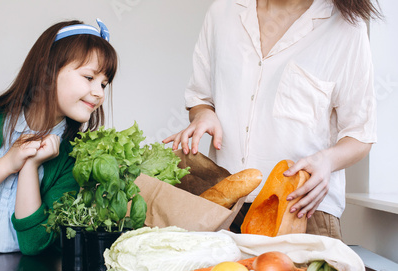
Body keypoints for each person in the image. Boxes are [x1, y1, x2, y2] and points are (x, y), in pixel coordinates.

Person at [163, 0, 381, 239]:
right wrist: (204, 114)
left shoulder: (346, 27)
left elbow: (360, 134)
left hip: (302, 210)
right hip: (225, 208)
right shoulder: (223, 11)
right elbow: (200, 97)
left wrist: (326, 161)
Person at [0, 19, 118, 265]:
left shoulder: (74, 155)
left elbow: (34, 244)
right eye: (89, 77)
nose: (99, 93)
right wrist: (9, 163)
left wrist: (30, 167)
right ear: (47, 70)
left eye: (104, 84)